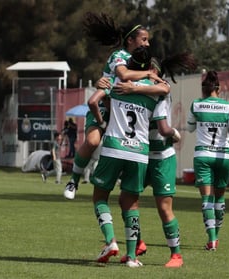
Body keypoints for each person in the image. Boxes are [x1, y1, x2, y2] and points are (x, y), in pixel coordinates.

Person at [63, 12, 164, 200]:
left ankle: (134, 177)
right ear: (131, 40)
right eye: (144, 39)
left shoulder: (142, 60)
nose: (147, 43)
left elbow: (160, 83)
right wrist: (148, 76)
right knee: (93, 141)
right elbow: (123, 75)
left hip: (125, 109)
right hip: (105, 104)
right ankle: (73, 180)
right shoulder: (120, 55)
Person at [90, 47, 172, 268]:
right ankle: (132, 257)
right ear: (148, 67)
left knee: (99, 198)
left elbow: (93, 101)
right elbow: (166, 87)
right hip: (139, 153)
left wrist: (102, 119)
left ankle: (110, 242)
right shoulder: (156, 91)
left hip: (114, 148)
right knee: (131, 203)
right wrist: (144, 82)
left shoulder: (117, 83)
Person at [113, 52, 196, 267]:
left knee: (164, 208)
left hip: (160, 157)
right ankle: (137, 244)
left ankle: (176, 254)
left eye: (147, 70)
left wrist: (173, 132)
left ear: (155, 72)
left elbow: (163, 127)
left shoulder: (159, 91)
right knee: (125, 200)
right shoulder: (132, 87)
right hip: (139, 154)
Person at [186, 70, 229, 251]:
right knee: (220, 198)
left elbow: (189, 128)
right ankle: (216, 236)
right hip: (223, 157)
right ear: (218, 89)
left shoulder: (196, 104)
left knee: (207, 199)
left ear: (204, 90)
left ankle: (211, 239)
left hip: (203, 156)